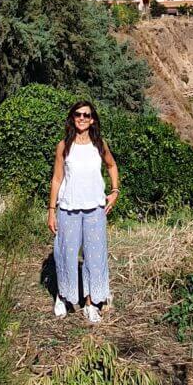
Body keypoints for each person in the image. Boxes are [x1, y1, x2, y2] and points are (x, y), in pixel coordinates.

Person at [47, 100, 119, 323]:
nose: (82, 118)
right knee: (66, 254)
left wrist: (115, 190)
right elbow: (57, 178)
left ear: (93, 119)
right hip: (68, 208)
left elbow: (112, 166)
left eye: (86, 115)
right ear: (72, 117)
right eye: (78, 114)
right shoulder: (64, 146)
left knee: (95, 257)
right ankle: (63, 296)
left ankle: (91, 303)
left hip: (95, 210)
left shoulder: (99, 144)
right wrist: (51, 210)